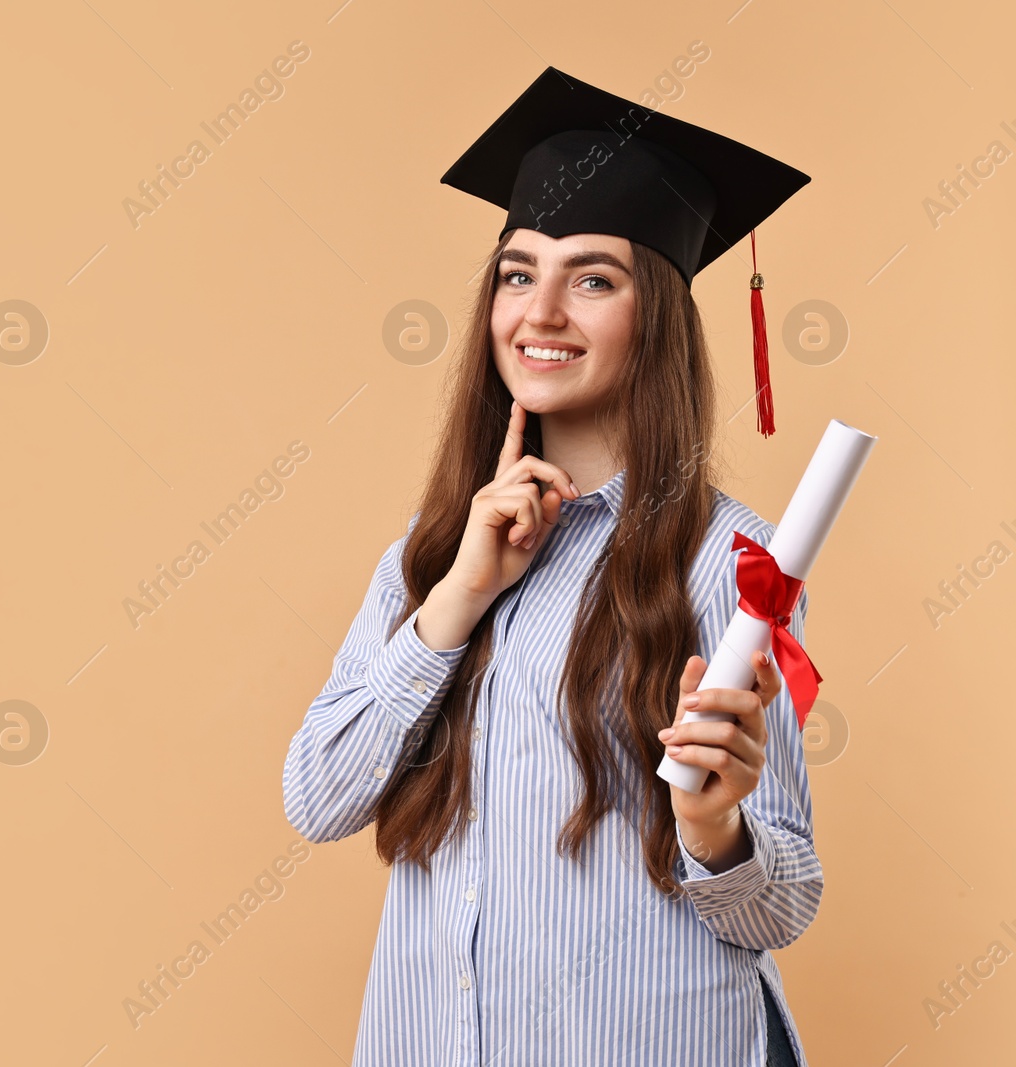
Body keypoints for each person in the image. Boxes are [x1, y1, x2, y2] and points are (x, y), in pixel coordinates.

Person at [282, 67, 820, 1066]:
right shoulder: (434, 548)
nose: (542, 311)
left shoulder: (732, 560)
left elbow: (782, 903)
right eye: (518, 273)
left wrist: (713, 826)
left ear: (653, 311)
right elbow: (319, 796)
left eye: (594, 278)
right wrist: (460, 595)